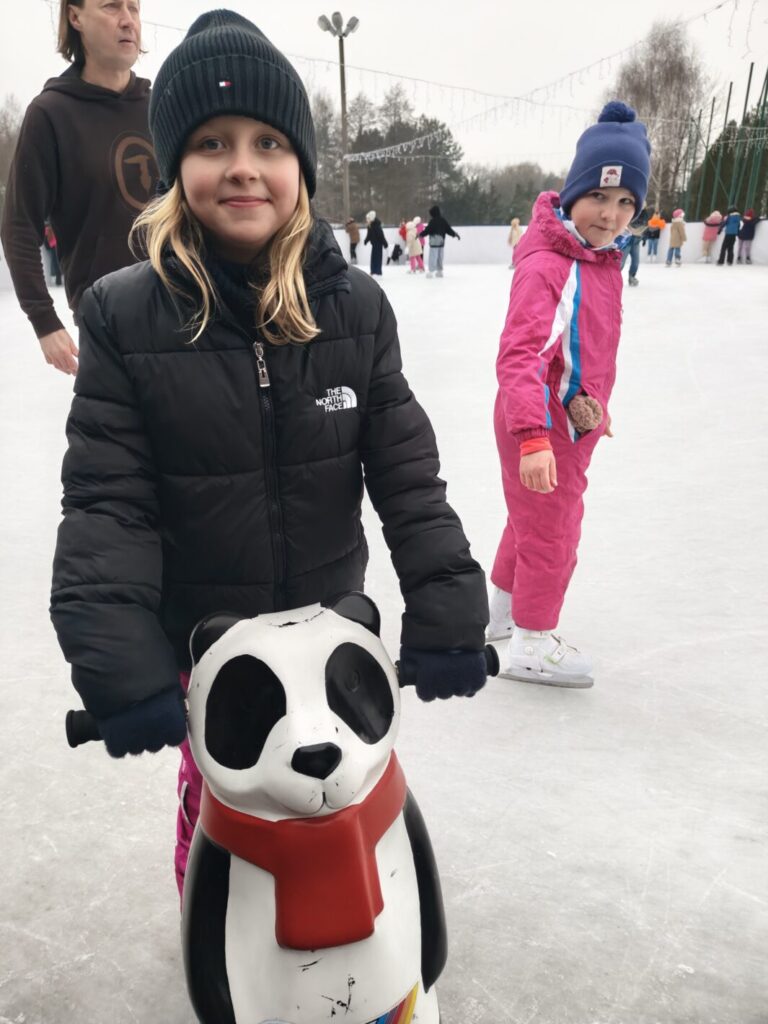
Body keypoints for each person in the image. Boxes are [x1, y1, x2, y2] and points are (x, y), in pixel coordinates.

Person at [48, 9, 490, 895]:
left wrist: (447, 613)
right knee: (230, 811)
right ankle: (213, 924)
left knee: (345, 796)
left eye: (269, 142)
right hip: (210, 644)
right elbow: (108, 503)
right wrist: (124, 666)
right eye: (212, 143)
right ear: (175, 166)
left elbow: (407, 477)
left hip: (331, 630)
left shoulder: (354, 308)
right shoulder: (123, 315)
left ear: (302, 168)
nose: (243, 165)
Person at [488, 101, 651, 688]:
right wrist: (534, 437)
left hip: (567, 418)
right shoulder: (552, 264)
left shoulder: (596, 259)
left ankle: (502, 618)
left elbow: (583, 346)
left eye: (626, 202)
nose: (611, 214)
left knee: (527, 522)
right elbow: (521, 355)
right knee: (553, 530)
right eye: (599, 196)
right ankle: (533, 642)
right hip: (541, 421)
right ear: (574, 193)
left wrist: (595, 406)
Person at [0, 0, 158, 376]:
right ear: (75, 17)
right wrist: (44, 320)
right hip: (108, 325)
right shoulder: (51, 114)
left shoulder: (160, 108)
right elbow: (20, 225)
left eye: (134, 8)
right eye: (111, 6)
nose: (128, 20)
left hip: (186, 318)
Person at [419, 204, 460, 277]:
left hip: (434, 242)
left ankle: (431, 272)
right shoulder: (443, 220)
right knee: (440, 257)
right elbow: (448, 229)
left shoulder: (432, 221)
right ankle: (440, 271)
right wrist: (455, 234)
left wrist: (420, 234)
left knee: (433, 257)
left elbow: (427, 230)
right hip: (441, 242)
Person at [621, 206, 648, 286]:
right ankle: (613, 276)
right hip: (627, 241)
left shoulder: (645, 213)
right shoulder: (631, 210)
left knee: (636, 262)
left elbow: (645, 227)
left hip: (636, 241)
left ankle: (632, 277)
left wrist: (644, 238)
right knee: (621, 262)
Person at [364, 209, 388, 275]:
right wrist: (366, 240)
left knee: (377, 258)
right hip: (374, 244)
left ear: (371, 218)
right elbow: (369, 235)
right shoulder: (370, 225)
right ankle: (373, 271)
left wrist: (385, 243)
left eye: (368, 218)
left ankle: (378, 271)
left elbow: (381, 235)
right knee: (374, 258)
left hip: (378, 244)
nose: (367, 220)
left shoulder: (376, 225)